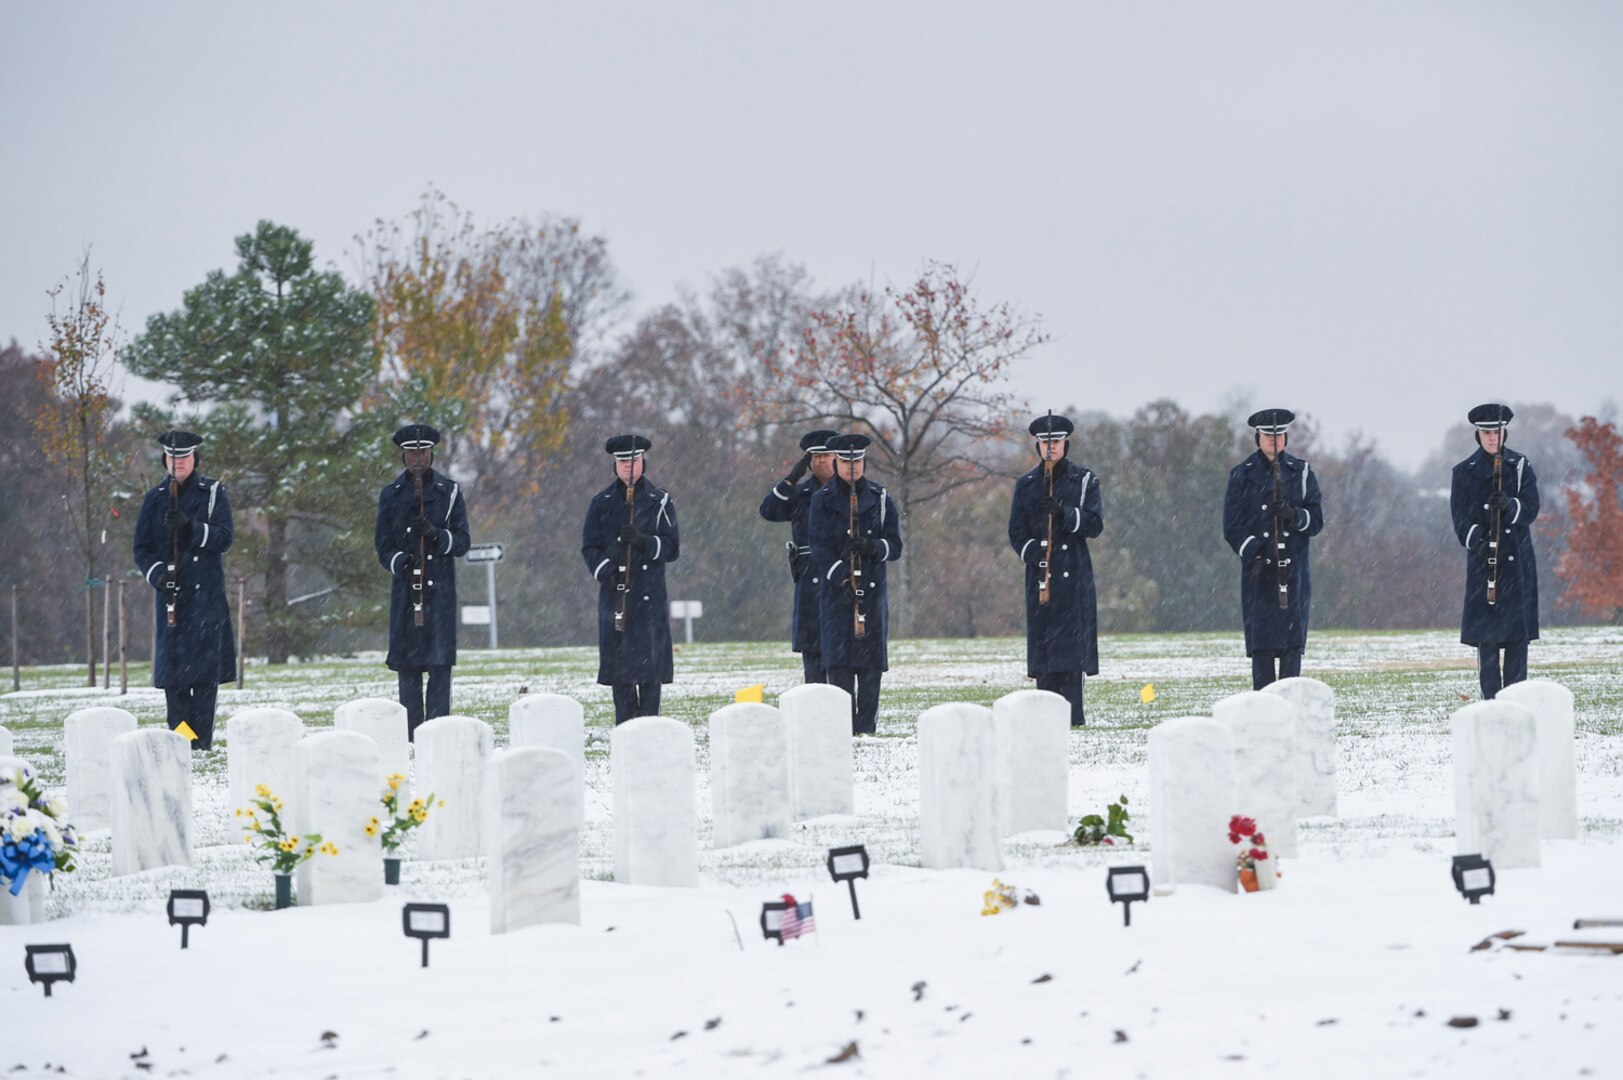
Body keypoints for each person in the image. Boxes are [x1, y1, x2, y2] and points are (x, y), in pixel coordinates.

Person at [132, 430, 236, 749]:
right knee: (175, 678)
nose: (178, 463)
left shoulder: (213, 492)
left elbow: (224, 537)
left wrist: (192, 529)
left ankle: (201, 743)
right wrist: (158, 575)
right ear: (165, 459)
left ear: (194, 459)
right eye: (173, 457)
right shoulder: (154, 498)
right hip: (172, 600)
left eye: (185, 457)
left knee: (204, 677)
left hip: (205, 599)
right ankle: (182, 741)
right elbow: (142, 548)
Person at [374, 424, 472, 740]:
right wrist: (400, 562)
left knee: (440, 667)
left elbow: (462, 542)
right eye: (413, 453)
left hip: (439, 593)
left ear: (432, 453)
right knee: (409, 669)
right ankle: (411, 736)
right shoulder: (391, 495)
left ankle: (438, 734)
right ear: (404, 455)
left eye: (424, 453)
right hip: (406, 593)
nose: (418, 459)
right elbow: (382, 545)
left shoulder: (450, 492)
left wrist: (436, 535)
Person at [1008, 414, 1103, 726]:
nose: (1050, 448)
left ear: (1066, 444)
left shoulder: (1085, 480)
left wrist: (1066, 514)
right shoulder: (1026, 485)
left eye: (1056, 442)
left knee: (1071, 657)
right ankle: (1043, 720)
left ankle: (1074, 718)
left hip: (1073, 578)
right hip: (1040, 578)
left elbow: (1094, 524)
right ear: (1038, 445)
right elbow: (1016, 532)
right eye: (1045, 443)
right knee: (1046, 655)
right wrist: (1033, 552)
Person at [1222, 408, 1325, 689]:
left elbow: (1316, 521)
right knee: (1262, 651)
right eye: (1268, 435)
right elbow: (1232, 526)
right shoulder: (1242, 476)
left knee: (1292, 651)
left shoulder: (1302, 473)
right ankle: (1263, 716)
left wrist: (1295, 515)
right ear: (1258, 438)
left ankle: (1290, 715)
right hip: (1259, 579)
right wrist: (1255, 550)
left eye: (1279, 436)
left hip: (1293, 577)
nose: (1274, 441)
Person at [582, 434, 681, 724]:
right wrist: (606, 572)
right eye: (623, 462)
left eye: (634, 461)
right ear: (615, 466)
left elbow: (672, 547)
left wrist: (644, 542)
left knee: (650, 678)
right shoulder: (601, 503)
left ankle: (650, 729)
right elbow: (590, 547)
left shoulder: (660, 500)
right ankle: (625, 729)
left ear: (643, 463)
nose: (628, 468)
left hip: (649, 600)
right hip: (616, 599)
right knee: (622, 678)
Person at [809, 433, 903, 734]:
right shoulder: (821, 500)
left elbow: (895, 546)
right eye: (847, 462)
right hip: (837, 593)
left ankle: (867, 725)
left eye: (858, 461)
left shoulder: (881, 498)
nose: (852, 467)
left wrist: (873, 547)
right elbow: (819, 548)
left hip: (872, 591)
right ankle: (841, 726)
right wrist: (841, 576)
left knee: (871, 665)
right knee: (838, 663)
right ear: (836, 461)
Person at [1450, 403, 1540, 699]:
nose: (1493, 438)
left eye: (1497, 431)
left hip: (1516, 568)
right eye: (1487, 432)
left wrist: (1510, 506)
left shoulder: (1520, 465)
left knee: (1517, 646)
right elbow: (1461, 521)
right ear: (1478, 433)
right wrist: (1482, 539)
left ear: (1505, 432)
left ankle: (1515, 705)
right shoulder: (1464, 472)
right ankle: (1491, 707)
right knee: (1487, 646)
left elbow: (1531, 507)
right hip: (1484, 569)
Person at [758, 429, 838, 683]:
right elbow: (769, 510)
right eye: (814, 457)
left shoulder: (851, 493)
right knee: (813, 652)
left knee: (841, 654)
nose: (821, 461)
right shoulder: (800, 495)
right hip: (809, 580)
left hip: (840, 576)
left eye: (826, 455)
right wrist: (790, 480)